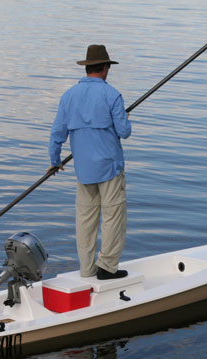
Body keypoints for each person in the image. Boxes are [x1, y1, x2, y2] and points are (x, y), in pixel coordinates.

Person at [49, 44, 132, 280]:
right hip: (110, 168)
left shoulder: (68, 96)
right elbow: (124, 132)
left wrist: (55, 161)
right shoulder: (112, 94)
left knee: (85, 220)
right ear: (106, 67)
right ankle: (107, 266)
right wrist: (124, 117)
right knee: (113, 216)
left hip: (83, 170)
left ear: (87, 68)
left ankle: (86, 269)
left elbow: (57, 134)